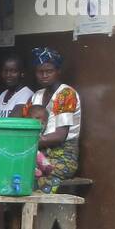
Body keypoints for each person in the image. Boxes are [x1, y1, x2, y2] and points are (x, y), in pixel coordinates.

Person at [30, 47, 82, 193]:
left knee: (31, 181)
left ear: (58, 71)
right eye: (40, 72)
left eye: (49, 71)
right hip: (38, 154)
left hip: (63, 157)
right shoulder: (37, 95)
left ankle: (31, 215)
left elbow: (60, 136)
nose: (44, 75)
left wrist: (25, 142)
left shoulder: (66, 94)